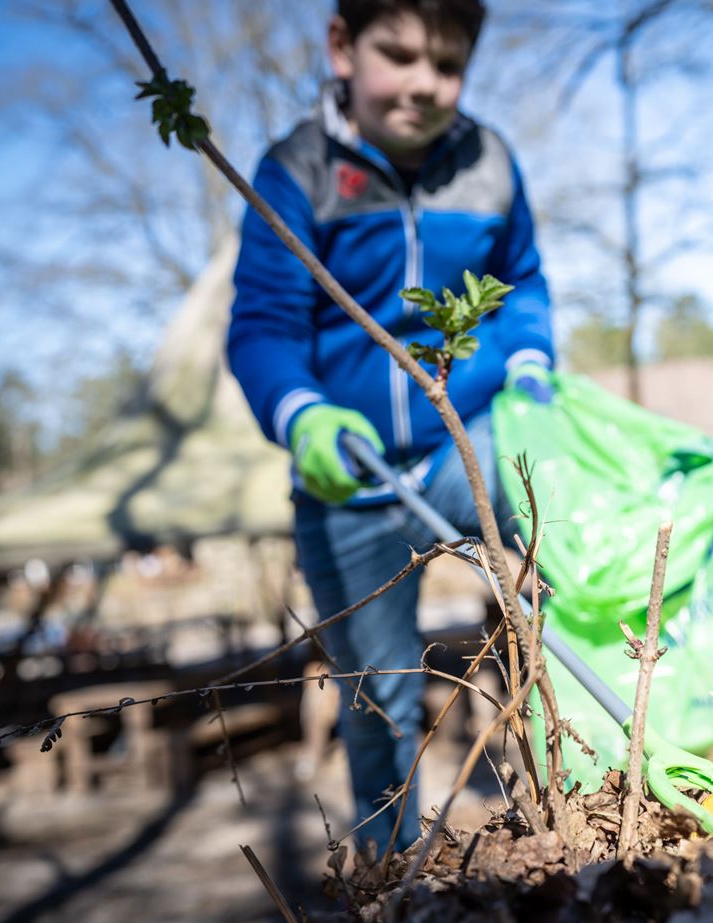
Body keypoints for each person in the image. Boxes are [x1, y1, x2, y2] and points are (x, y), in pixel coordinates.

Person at [227, 0, 553, 851]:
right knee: (378, 695)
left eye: (445, 66)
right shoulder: (293, 170)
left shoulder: (489, 163)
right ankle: (392, 870)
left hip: (471, 439)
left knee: (566, 581)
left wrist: (529, 373)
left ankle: (581, 805)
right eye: (397, 55)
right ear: (341, 45)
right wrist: (300, 414)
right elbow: (262, 328)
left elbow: (523, 285)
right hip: (351, 466)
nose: (423, 84)